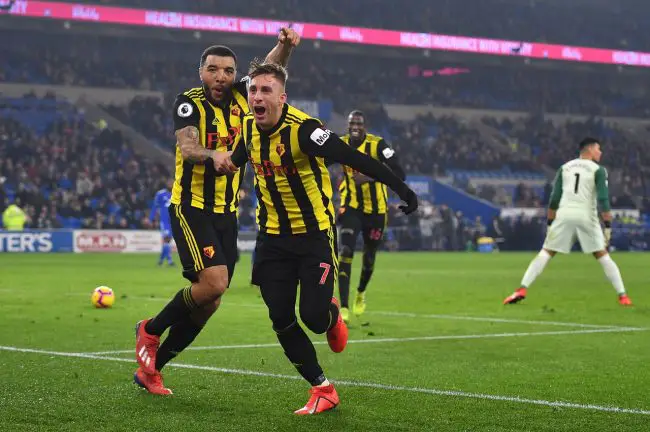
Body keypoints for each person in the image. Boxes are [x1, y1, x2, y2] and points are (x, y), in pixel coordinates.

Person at [213, 61, 418, 415]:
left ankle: (331, 315)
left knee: (312, 316)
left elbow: (354, 158)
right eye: (253, 91)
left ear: (282, 98)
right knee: (280, 316)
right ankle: (322, 388)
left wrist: (402, 188)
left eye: (266, 90)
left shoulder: (306, 131)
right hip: (272, 238)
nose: (257, 97)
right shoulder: (247, 127)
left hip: (313, 238)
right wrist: (225, 162)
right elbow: (240, 155)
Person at [133, 29, 301, 395]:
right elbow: (188, 147)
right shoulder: (188, 103)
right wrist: (214, 156)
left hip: (226, 212)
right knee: (214, 283)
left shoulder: (244, 95)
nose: (220, 77)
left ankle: (152, 370)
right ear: (201, 72)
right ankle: (150, 329)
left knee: (209, 302)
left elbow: (269, 68)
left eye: (227, 71)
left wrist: (285, 46)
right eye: (212, 69)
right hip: (191, 206)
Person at [504, 137, 632, 306]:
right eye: (598, 149)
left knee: (546, 252)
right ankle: (623, 296)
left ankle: (522, 288)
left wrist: (550, 223)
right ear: (590, 149)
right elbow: (603, 199)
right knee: (602, 255)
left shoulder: (565, 168)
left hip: (564, 214)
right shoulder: (599, 170)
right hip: (586, 215)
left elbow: (554, 198)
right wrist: (608, 225)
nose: (600, 152)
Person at [336, 110, 405, 322]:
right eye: (352, 123)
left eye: (359, 123)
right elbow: (320, 161)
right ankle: (344, 306)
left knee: (369, 257)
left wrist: (369, 177)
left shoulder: (378, 145)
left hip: (377, 212)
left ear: (365, 126)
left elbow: (399, 173)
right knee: (345, 250)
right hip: (351, 207)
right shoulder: (340, 144)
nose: (355, 127)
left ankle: (360, 293)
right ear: (348, 125)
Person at [149, 179, 174, 266]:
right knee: (166, 239)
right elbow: (155, 206)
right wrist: (152, 218)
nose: (170, 184)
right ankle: (170, 261)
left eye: (172, 183)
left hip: (173, 221)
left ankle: (161, 260)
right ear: (166, 184)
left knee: (168, 240)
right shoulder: (160, 194)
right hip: (164, 220)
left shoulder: (176, 193)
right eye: (169, 183)